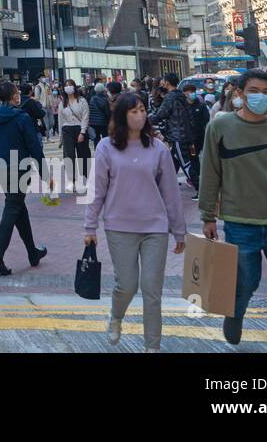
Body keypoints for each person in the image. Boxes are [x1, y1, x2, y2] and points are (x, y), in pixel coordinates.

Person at [199, 70, 267, 353]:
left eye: (265, 91)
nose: (259, 96)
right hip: (240, 224)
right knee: (244, 285)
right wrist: (208, 215)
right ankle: (235, 314)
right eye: (253, 90)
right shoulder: (220, 128)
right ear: (239, 93)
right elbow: (210, 173)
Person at [84, 93, 186, 352]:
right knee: (126, 285)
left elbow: (171, 192)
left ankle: (153, 347)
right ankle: (116, 316)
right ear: (121, 116)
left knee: (152, 291)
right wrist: (90, 227)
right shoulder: (106, 147)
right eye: (133, 111)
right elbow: (97, 190)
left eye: (142, 110)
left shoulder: (158, 148)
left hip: (155, 228)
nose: (140, 115)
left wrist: (179, 231)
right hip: (119, 227)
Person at [0, 80, 47, 276]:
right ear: (13, 97)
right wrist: (44, 172)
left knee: (18, 207)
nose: (19, 95)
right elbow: (34, 146)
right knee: (12, 209)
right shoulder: (22, 117)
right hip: (19, 168)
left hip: (0, 168)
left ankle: (32, 252)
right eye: (17, 92)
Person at [181, 81, 210, 201]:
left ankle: (198, 182)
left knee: (194, 157)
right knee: (192, 158)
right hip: (186, 139)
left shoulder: (201, 105)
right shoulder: (182, 106)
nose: (192, 93)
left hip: (198, 138)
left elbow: (206, 120)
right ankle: (196, 180)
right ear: (185, 93)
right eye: (189, 91)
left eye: (193, 91)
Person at [60, 80, 91, 187]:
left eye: (70, 85)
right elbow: (61, 120)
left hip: (80, 129)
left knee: (83, 155)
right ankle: (71, 181)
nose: (68, 87)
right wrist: (61, 138)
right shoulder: (62, 102)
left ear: (74, 87)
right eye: (66, 85)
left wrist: (82, 132)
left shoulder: (82, 101)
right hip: (67, 130)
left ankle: (87, 178)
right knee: (69, 156)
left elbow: (85, 117)